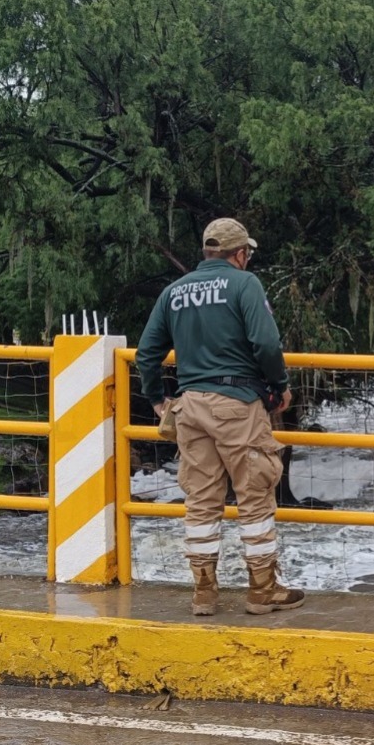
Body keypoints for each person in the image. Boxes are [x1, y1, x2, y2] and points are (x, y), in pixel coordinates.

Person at [136, 218, 303, 617]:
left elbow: (147, 354)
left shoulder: (174, 292)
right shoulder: (245, 284)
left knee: (201, 501)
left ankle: (204, 593)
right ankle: (262, 589)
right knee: (255, 496)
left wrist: (159, 400)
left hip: (189, 407)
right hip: (237, 404)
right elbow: (265, 342)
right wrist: (280, 385)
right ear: (240, 254)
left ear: (208, 252)